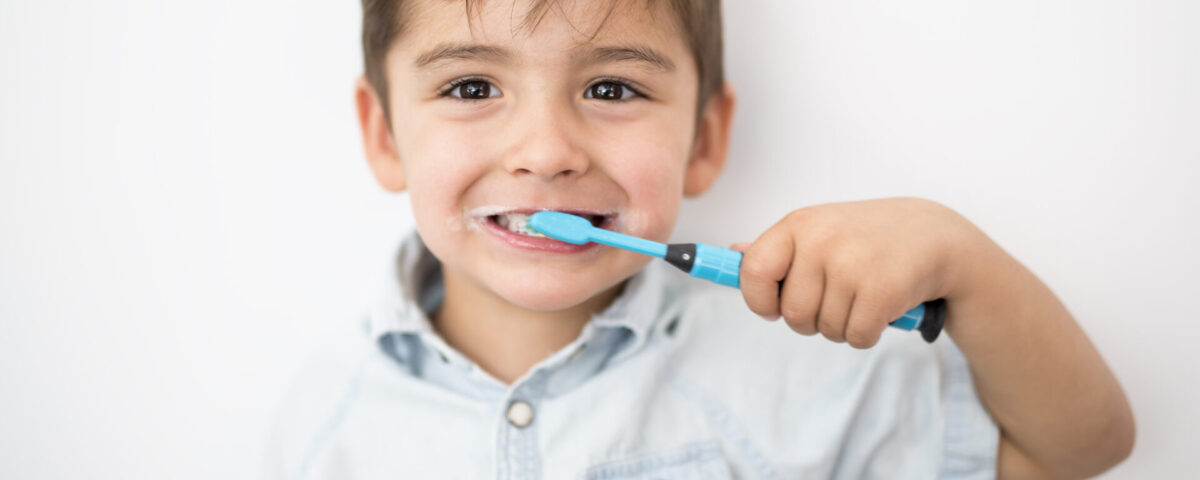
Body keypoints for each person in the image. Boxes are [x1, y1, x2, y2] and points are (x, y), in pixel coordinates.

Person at [266, 0, 1134, 478]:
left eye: (611, 90)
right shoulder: (325, 423)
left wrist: (964, 262)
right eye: (468, 86)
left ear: (706, 140)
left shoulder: (796, 374)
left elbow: (1076, 450)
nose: (545, 153)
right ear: (383, 136)